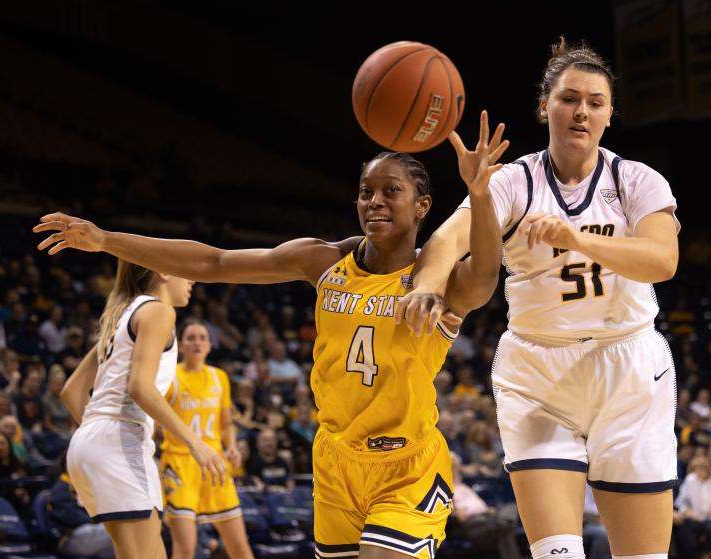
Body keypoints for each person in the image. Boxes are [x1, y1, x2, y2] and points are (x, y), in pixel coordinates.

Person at [34, 112, 509, 559]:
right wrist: (106, 240)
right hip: (335, 461)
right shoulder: (324, 261)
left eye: (391, 191)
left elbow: (486, 274)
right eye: (366, 192)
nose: (375, 202)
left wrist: (481, 194)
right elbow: (213, 262)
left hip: (405, 468)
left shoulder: (435, 281)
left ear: (422, 205)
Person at [399, 38, 680, 559]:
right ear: (544, 105)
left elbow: (662, 260)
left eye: (595, 102)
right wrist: (426, 287)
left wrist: (576, 238)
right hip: (540, 373)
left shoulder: (635, 179)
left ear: (610, 114)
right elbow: (445, 241)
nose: (581, 112)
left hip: (630, 371)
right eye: (570, 98)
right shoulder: (513, 181)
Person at [54, 260, 226, 559]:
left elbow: (72, 391)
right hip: (118, 440)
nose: (193, 280)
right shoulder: (159, 311)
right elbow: (140, 387)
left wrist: (99, 438)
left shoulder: (120, 317)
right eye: (185, 270)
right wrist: (194, 442)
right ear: (163, 271)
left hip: (88, 443)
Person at [160, 319, 253, 559]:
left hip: (214, 464)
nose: (197, 342)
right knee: (185, 548)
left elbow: (226, 424)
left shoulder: (219, 377)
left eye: (202, 337)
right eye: (191, 338)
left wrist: (231, 446)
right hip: (179, 464)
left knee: (240, 547)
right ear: (180, 345)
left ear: (210, 345)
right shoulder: (170, 377)